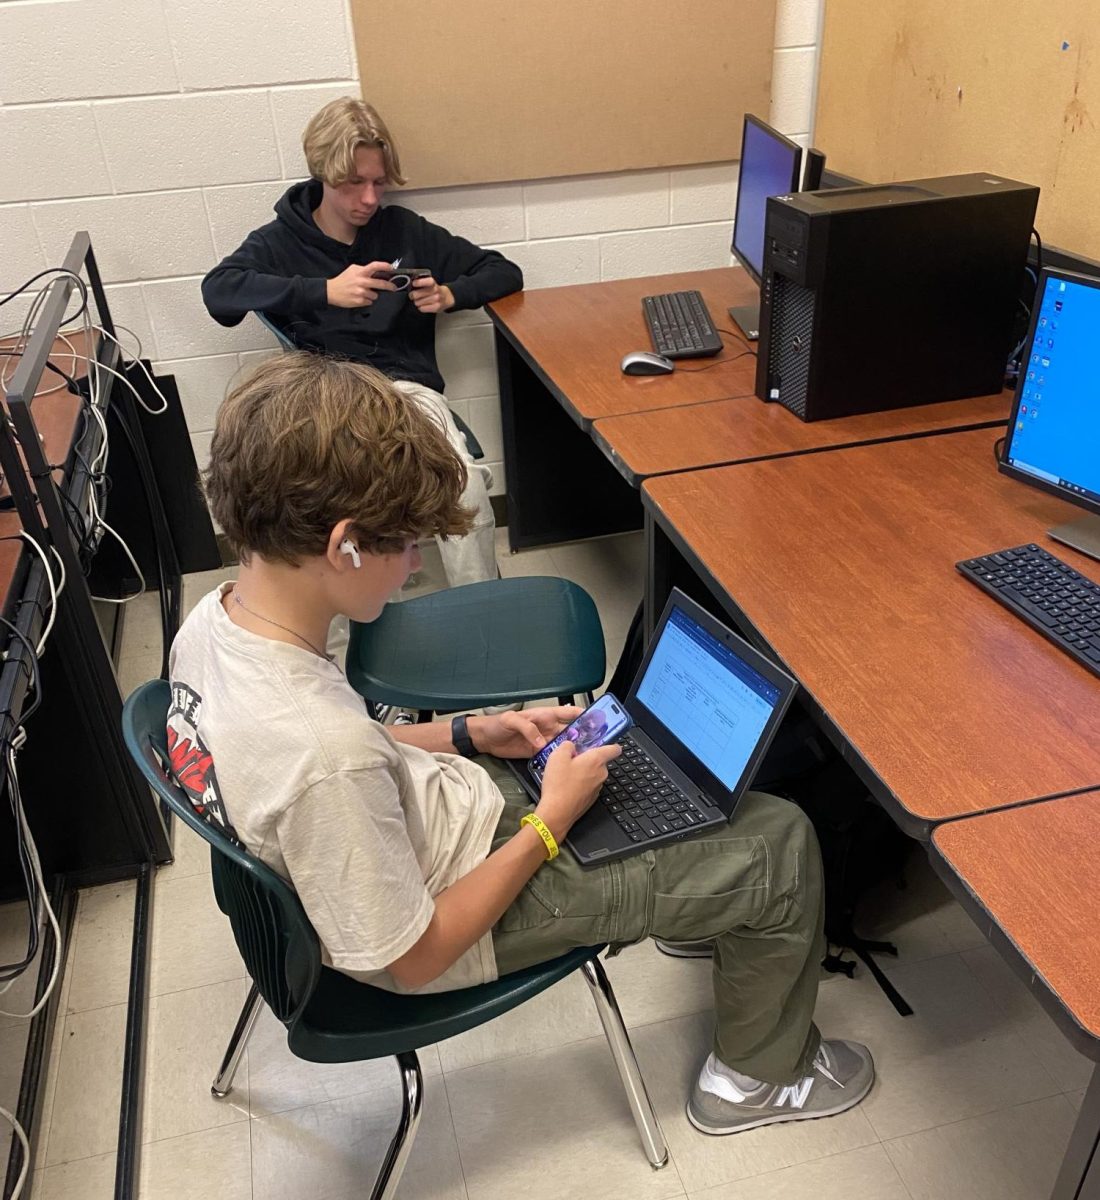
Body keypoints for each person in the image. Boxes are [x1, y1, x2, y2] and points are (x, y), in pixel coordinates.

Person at [168, 353, 874, 1137]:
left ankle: (703, 907)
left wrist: (471, 732)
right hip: (451, 919)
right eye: (409, 547)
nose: (412, 568)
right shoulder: (323, 756)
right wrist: (552, 822)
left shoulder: (219, 620)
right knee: (779, 841)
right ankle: (754, 1082)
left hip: (427, 829)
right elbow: (414, 957)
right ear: (345, 547)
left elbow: (348, 755)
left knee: (653, 785)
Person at [200, 97, 522, 588]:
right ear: (324, 174)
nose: (370, 198)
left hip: (407, 392)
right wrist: (323, 292)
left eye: (378, 182)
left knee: (465, 487)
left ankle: (481, 608)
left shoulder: (401, 229)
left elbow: (503, 271)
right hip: (326, 398)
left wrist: (452, 294)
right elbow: (218, 292)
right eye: (353, 183)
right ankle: (328, 648)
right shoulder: (281, 240)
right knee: (318, 508)